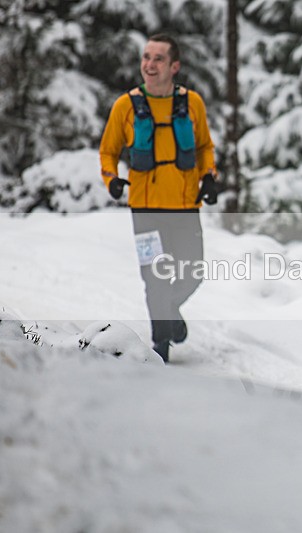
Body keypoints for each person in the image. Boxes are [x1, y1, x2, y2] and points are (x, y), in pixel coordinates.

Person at [99, 33, 220, 362]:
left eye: (158, 59)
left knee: (192, 272)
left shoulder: (191, 103)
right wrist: (110, 179)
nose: (149, 65)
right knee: (154, 277)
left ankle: (170, 311)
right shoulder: (126, 106)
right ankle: (160, 349)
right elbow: (108, 151)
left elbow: (205, 146)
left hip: (184, 206)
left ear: (174, 66)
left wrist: (209, 175)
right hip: (144, 208)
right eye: (146, 57)